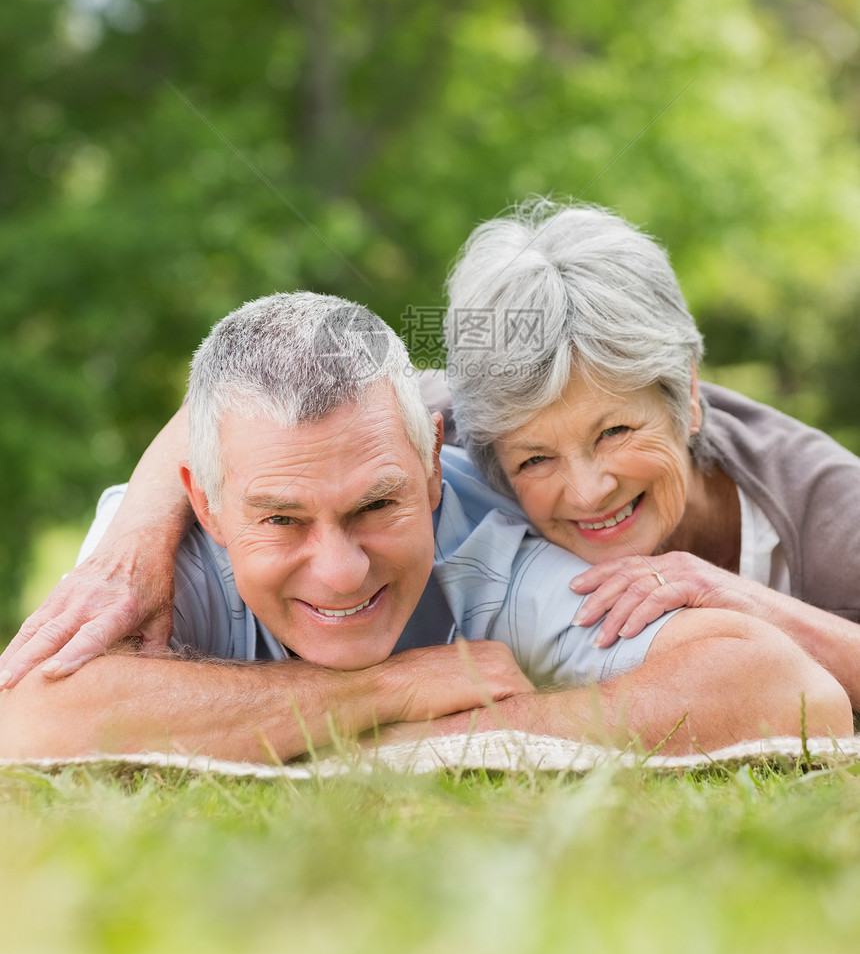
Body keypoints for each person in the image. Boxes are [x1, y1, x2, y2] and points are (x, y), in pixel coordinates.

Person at [0, 291, 850, 760]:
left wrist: (444, 737)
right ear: (209, 504)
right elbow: (26, 720)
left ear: (432, 467)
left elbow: (789, 693)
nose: (338, 570)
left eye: (377, 506)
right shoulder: (157, 553)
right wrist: (381, 698)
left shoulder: (484, 540)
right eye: (282, 521)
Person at [440, 200, 860, 708]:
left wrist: (742, 597)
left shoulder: (834, 509)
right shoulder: (441, 438)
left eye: (614, 431)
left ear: (687, 395)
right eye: (535, 459)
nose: (589, 491)